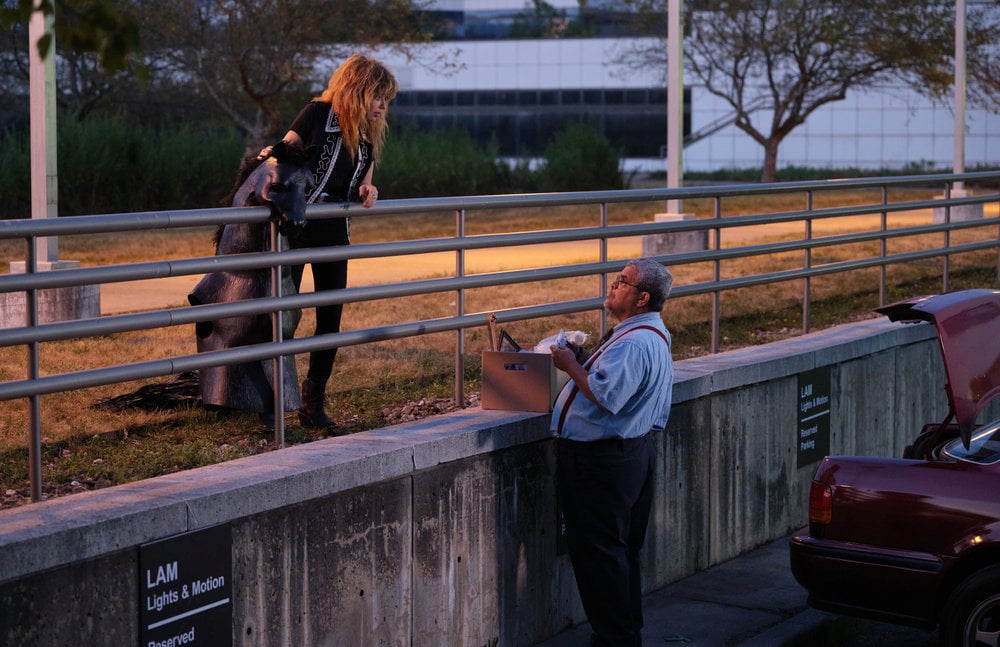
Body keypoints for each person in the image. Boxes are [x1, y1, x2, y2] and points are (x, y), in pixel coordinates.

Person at [549, 258, 675, 647]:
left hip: (602, 463)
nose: (613, 285)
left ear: (642, 298)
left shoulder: (635, 342)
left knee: (599, 556)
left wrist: (570, 365)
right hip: (628, 456)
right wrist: (586, 362)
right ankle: (624, 633)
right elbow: (615, 384)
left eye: (622, 281)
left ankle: (615, 638)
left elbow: (608, 396)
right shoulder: (648, 333)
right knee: (620, 554)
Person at [270, 53, 398, 428]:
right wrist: (272, 157)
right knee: (282, 317)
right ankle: (273, 403)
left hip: (333, 232)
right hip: (294, 228)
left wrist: (368, 189)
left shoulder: (367, 132)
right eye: (378, 96)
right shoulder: (315, 114)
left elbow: (365, 177)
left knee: (330, 318)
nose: (383, 106)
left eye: (387, 99)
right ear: (358, 90)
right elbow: (281, 155)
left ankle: (313, 404)